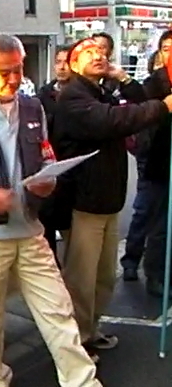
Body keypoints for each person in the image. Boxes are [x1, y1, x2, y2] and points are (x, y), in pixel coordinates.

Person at [0, 34, 101, 387]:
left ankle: (82, 381)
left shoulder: (33, 107)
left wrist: (48, 177)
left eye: (18, 70)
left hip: (31, 228)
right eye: (5, 71)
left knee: (58, 310)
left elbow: (45, 155)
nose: (14, 79)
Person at [51, 37, 172, 358]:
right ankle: (75, 343)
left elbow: (139, 101)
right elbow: (113, 121)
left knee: (103, 276)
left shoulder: (101, 91)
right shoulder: (73, 97)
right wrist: (163, 106)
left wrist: (124, 78)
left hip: (106, 200)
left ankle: (90, 330)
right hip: (83, 202)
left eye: (101, 51)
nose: (98, 55)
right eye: (88, 52)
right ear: (73, 64)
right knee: (81, 279)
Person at [120, 48, 166, 282]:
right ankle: (132, 259)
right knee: (145, 211)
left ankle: (157, 270)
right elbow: (139, 104)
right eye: (166, 50)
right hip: (152, 159)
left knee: (162, 222)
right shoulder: (153, 85)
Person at [138, 30, 172, 298]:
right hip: (161, 162)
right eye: (166, 48)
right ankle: (155, 275)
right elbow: (146, 122)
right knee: (159, 224)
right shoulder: (153, 84)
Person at [36, 44, 71, 261]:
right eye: (58, 62)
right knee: (46, 237)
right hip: (49, 170)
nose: (62, 67)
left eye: (67, 62)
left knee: (74, 240)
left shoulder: (83, 95)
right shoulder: (43, 95)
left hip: (73, 172)